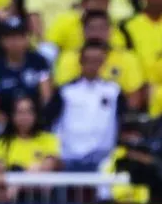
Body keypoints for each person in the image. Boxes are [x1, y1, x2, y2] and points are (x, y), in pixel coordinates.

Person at [48, 42, 125, 172]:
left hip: (103, 161)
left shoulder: (114, 91)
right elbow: (50, 121)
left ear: (103, 62)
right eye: (89, 61)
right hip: (69, 159)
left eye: (97, 61)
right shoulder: (66, 91)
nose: (93, 65)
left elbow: (122, 121)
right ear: (81, 61)